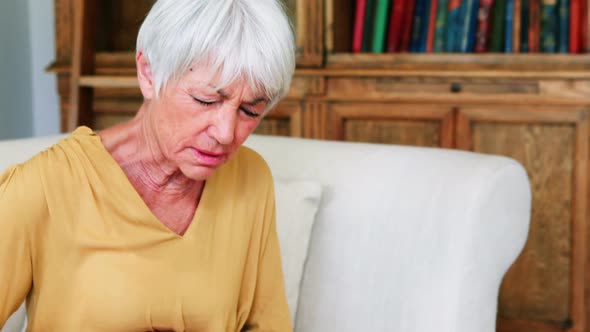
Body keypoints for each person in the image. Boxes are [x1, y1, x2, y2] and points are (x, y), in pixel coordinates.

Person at [0, 0, 295, 330]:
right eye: (206, 101)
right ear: (148, 73)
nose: (226, 133)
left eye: (250, 111)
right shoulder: (44, 186)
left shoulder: (250, 180)